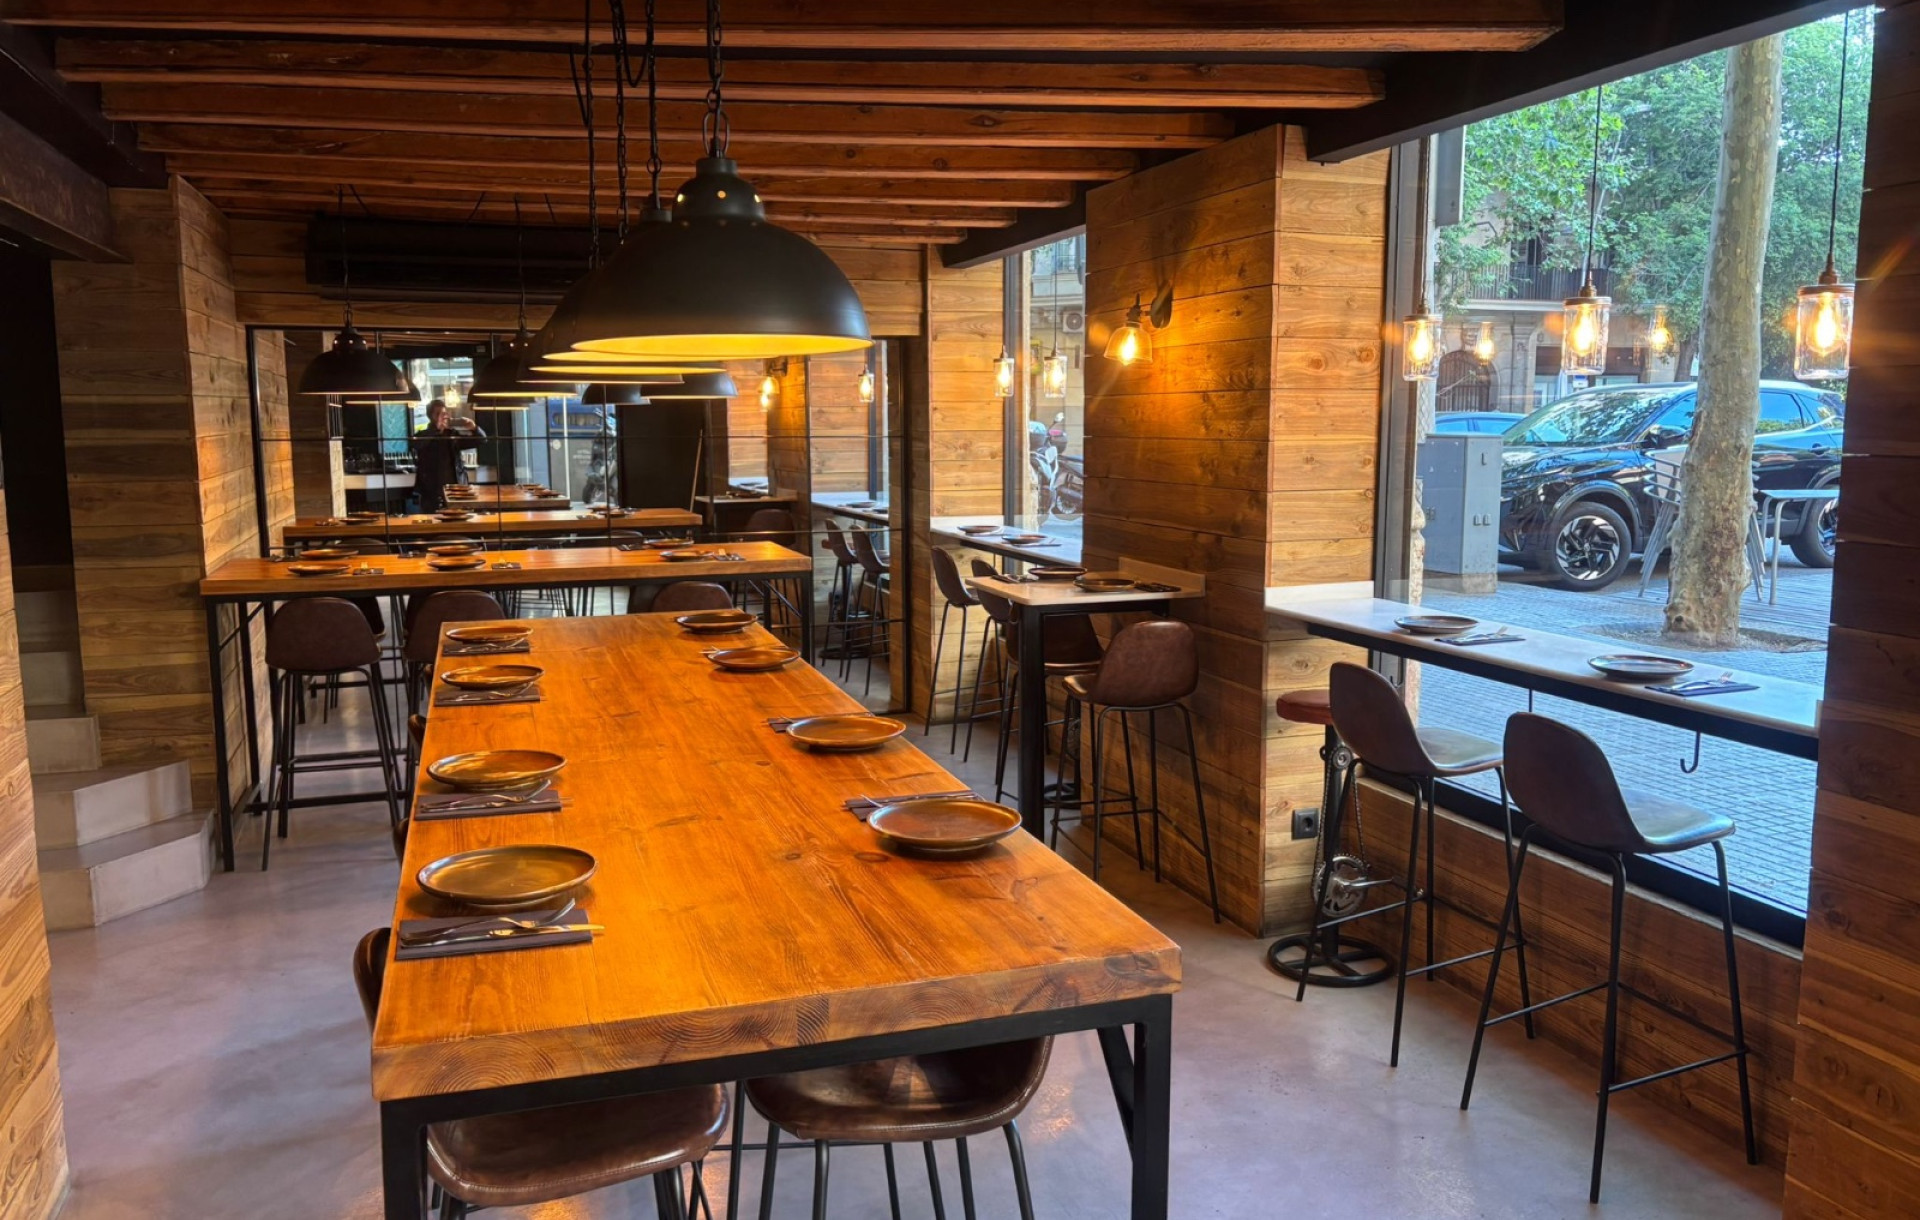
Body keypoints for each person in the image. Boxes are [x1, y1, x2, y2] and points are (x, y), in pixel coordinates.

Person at [410, 400, 484, 511]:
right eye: (438, 414)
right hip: (431, 493)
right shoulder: (423, 436)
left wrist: (474, 428)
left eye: (444, 413)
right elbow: (414, 444)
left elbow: (481, 440)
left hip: (457, 491)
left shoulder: (452, 435)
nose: (442, 417)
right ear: (431, 416)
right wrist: (436, 429)